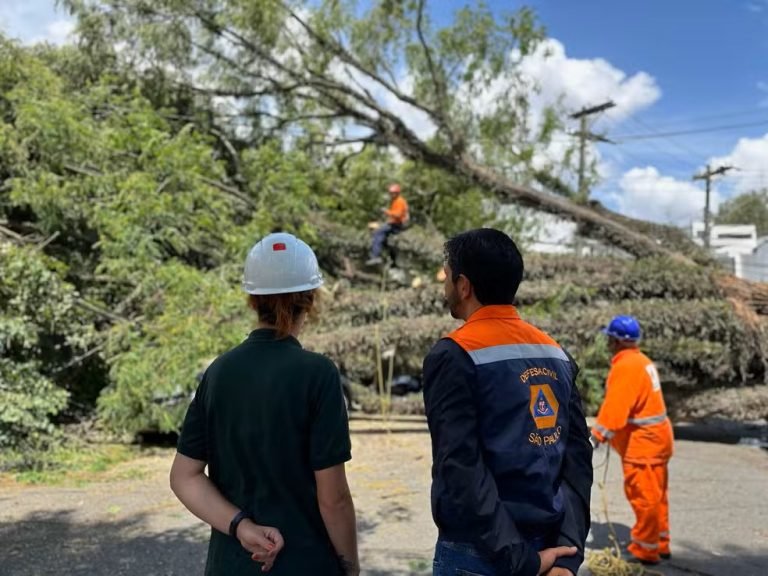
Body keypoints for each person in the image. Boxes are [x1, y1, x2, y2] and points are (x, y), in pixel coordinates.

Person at [170, 232, 359, 575]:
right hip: (306, 564)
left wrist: (242, 526)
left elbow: (184, 477)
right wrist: (350, 565)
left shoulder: (219, 372)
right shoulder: (317, 374)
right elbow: (334, 499)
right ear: (310, 300)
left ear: (252, 300)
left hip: (231, 565)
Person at [423, 228, 593, 576]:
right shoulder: (555, 353)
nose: (445, 288)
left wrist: (521, 561)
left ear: (464, 285)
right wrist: (566, 556)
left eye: (447, 278)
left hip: (480, 554)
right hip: (548, 547)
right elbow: (577, 457)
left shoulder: (454, 354)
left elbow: (461, 468)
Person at [591, 315, 673, 565]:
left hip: (644, 444)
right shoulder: (641, 361)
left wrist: (597, 436)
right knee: (657, 495)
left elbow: (616, 409)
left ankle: (646, 549)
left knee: (644, 496)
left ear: (615, 340)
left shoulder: (626, 367)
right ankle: (660, 541)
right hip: (657, 440)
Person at [366, 183, 409, 266]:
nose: (391, 194)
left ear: (397, 193)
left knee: (378, 232)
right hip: (394, 223)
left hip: (397, 225)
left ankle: (375, 256)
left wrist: (386, 211)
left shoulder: (400, 201)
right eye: (390, 193)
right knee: (380, 233)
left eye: (392, 193)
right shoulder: (396, 201)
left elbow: (398, 215)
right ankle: (389, 258)